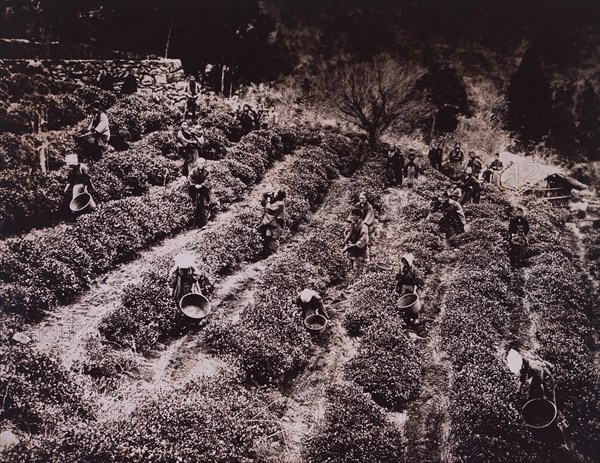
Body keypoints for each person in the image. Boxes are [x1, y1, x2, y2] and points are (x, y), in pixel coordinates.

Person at [343, 208, 369, 279]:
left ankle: (357, 283)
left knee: (357, 267)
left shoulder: (364, 226)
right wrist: (346, 240)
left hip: (360, 250)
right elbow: (350, 233)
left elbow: (363, 240)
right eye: (352, 215)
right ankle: (353, 282)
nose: (352, 217)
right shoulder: (353, 224)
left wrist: (354, 245)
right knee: (352, 266)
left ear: (358, 216)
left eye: (354, 216)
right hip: (353, 250)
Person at [259, 189, 286, 256]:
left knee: (273, 239)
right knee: (269, 239)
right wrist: (266, 197)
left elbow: (269, 209)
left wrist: (268, 199)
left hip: (275, 224)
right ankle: (271, 255)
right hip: (271, 223)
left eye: (276, 194)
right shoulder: (277, 201)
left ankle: (275, 256)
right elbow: (263, 204)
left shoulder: (280, 203)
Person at [188, 157, 210, 228]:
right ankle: (195, 223)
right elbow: (190, 179)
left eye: (203, 163)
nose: (201, 165)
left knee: (204, 204)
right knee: (195, 204)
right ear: (197, 164)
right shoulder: (193, 171)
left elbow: (208, 180)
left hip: (204, 190)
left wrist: (203, 185)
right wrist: (195, 185)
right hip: (194, 190)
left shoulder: (207, 172)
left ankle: (204, 223)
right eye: (200, 163)